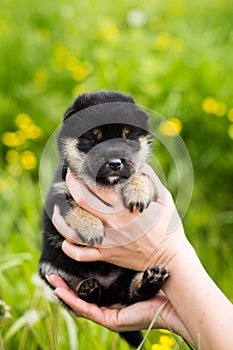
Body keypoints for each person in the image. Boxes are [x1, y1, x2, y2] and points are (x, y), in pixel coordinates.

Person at [46, 166, 233, 350]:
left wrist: (167, 253)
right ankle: (128, 285)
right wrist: (170, 313)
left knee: (134, 280)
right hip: (84, 271)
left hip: (121, 279)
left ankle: (137, 284)